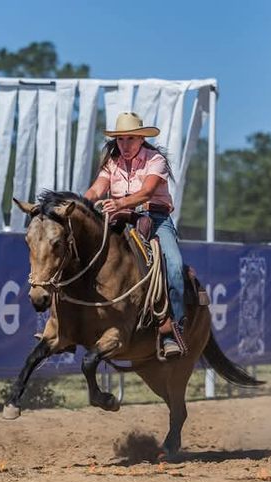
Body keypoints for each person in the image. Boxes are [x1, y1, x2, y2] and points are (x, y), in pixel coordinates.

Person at [83, 112, 187, 359]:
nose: (125, 144)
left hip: (155, 220)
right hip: (120, 220)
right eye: (120, 139)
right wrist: (79, 204)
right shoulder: (111, 163)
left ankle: (173, 328)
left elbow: (147, 192)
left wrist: (120, 203)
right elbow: (97, 189)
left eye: (131, 139)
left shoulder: (156, 160)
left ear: (142, 139)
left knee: (174, 266)